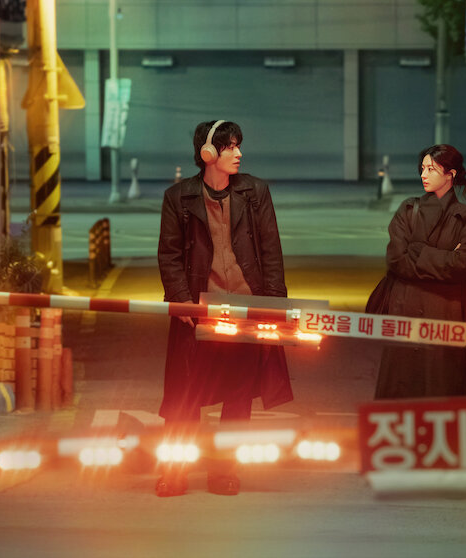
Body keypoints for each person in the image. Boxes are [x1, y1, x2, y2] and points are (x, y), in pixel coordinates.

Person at [156, 120, 292, 497]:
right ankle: (174, 471)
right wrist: (181, 299)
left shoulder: (254, 192)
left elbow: (271, 251)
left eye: (237, 145)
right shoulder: (179, 197)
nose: (238, 153)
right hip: (199, 312)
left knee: (238, 396)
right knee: (184, 396)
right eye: (229, 147)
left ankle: (224, 471)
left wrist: (273, 305)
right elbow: (169, 254)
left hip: (245, 308)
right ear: (208, 153)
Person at [366, 144, 466, 398]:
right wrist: (443, 260)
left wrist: (418, 251)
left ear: (450, 174)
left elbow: (461, 265)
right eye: (422, 168)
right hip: (407, 311)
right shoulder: (408, 210)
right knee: (401, 389)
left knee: (439, 388)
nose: (423, 175)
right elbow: (396, 259)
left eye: (431, 169)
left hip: (444, 316)